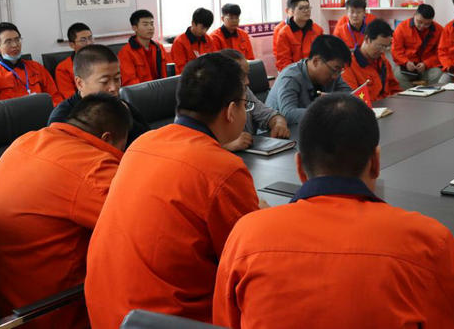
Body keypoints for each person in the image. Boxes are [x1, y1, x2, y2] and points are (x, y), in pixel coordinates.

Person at [213, 94, 454, 329]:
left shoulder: (245, 235)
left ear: (300, 167)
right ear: (375, 163)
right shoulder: (426, 240)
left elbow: (224, 321)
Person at [85, 54, 262, 328]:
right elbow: (249, 260)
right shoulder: (222, 169)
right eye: (245, 104)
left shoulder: (142, 144)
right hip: (167, 321)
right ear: (230, 111)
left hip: (108, 316)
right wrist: (262, 219)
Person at [0, 94, 130, 328]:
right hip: (38, 314)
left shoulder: (26, 140)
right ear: (107, 139)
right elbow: (145, 223)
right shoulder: (93, 166)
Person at [48, 45, 150, 145]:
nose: (113, 88)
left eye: (117, 79)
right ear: (80, 83)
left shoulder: (121, 105)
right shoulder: (61, 120)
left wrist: (127, 118)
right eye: (104, 82)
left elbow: (148, 142)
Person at [266, 35, 352, 125]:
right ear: (316, 61)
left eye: (340, 70)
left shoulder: (333, 74)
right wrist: (326, 110)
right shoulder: (291, 77)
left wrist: (334, 100)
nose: (336, 76)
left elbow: (351, 96)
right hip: (278, 131)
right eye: (335, 69)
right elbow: (288, 114)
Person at [218, 49, 291, 152]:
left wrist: (279, 124)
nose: (247, 81)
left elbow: (269, 115)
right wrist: (227, 146)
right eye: (242, 76)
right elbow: (199, 148)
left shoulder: (245, 91)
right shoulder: (208, 101)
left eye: (247, 74)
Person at [0, 22, 64, 105]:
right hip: (10, 116)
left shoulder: (36, 67)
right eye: (8, 42)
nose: (15, 45)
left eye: (17, 40)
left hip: (44, 115)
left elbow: (55, 97)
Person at [342, 19, 402, 102]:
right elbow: (353, 100)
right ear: (367, 39)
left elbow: (394, 88)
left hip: (388, 105)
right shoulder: (349, 65)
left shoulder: (383, 62)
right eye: (380, 46)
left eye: (386, 47)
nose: (382, 51)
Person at [391, 3, 443, 87]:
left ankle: (429, 94)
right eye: (419, 22)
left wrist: (426, 64)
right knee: (397, 75)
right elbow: (396, 51)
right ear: (414, 15)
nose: (422, 26)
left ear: (432, 21)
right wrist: (406, 62)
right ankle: (410, 95)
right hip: (407, 67)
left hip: (428, 68)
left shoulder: (439, 30)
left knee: (438, 74)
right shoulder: (401, 28)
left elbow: (441, 53)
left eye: (427, 24)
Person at [117, 9, 168, 85]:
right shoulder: (126, 52)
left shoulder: (159, 47)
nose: (150, 28)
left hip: (163, 88)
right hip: (142, 91)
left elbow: (171, 71)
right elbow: (130, 82)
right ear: (135, 28)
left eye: (152, 24)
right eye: (145, 24)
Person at [274, 0, 324, 71]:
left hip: (315, 71)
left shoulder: (317, 30)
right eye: (301, 8)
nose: (306, 11)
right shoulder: (284, 33)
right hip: (294, 73)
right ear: (292, 11)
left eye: (308, 7)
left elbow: (322, 54)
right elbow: (283, 62)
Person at [55, 22, 94, 98]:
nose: (89, 43)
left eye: (90, 38)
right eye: (83, 40)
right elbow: (70, 98)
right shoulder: (63, 69)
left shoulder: (102, 60)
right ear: (72, 45)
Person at [171, 7, 215, 74]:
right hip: (188, 78)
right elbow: (181, 69)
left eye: (207, 28)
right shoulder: (179, 42)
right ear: (193, 23)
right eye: (202, 28)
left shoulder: (209, 39)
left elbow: (214, 62)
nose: (205, 31)